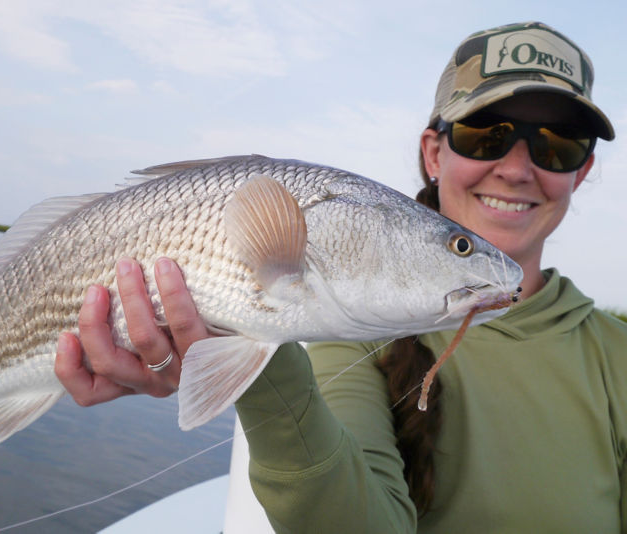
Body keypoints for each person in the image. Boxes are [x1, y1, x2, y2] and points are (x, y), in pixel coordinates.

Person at [54, 22, 627, 532]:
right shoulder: (343, 328)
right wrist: (258, 345)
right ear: (434, 152)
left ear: (583, 171)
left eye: (558, 145)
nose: (517, 168)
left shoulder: (616, 355)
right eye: (486, 134)